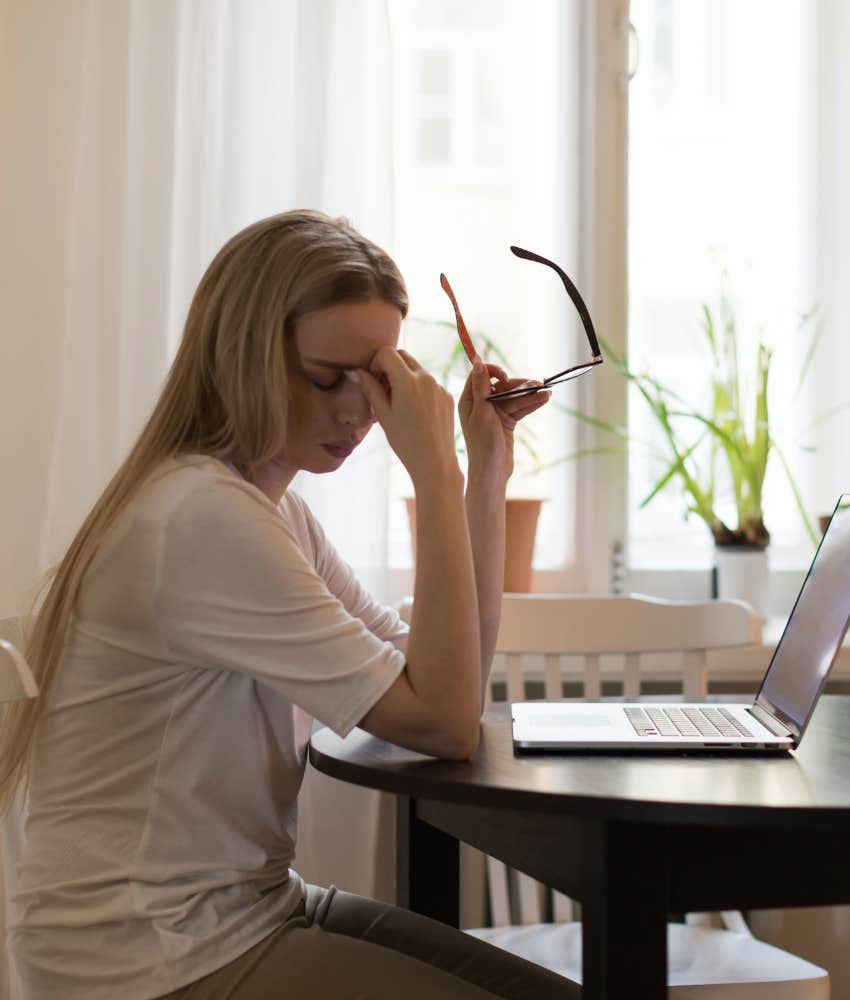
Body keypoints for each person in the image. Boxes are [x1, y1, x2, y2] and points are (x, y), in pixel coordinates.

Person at [0, 210, 576, 998]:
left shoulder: (268, 509)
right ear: (242, 352)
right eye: (323, 377)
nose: (357, 412)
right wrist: (432, 473)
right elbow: (442, 718)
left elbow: (450, 686)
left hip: (246, 911)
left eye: (375, 382)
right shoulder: (200, 518)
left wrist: (485, 471)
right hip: (142, 958)